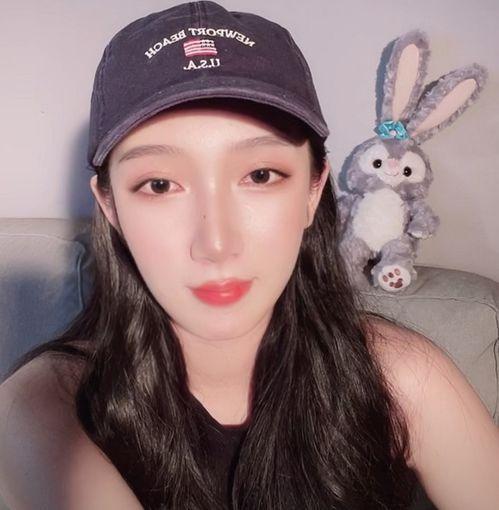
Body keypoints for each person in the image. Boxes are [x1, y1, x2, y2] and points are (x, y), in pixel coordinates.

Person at [1, 2, 499, 509]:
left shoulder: (406, 377)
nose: (216, 243)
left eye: (260, 176)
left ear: (313, 190)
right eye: (159, 184)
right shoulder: (46, 408)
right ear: (111, 208)